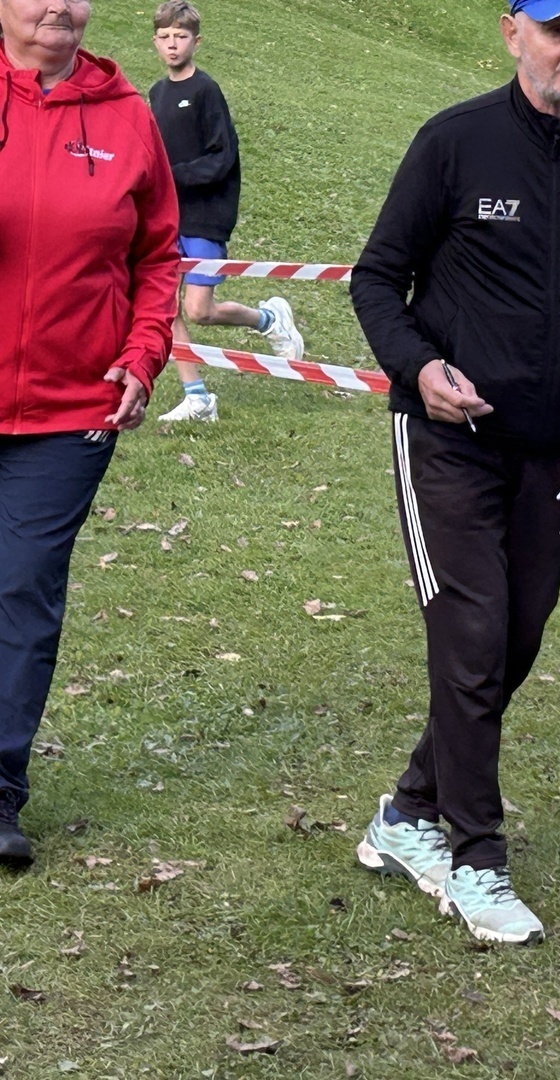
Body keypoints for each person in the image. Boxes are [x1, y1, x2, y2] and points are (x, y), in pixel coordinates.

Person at [349, 0, 560, 946]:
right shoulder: (455, 142)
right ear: (513, 32)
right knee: (474, 633)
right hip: (447, 437)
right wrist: (420, 368)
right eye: (559, 31)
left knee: (517, 635)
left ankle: (409, 810)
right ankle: (476, 858)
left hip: (556, 447)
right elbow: (376, 278)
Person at [0, 0, 179, 868]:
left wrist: (144, 353)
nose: (58, 6)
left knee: (23, 589)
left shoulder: (127, 115)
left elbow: (158, 255)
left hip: (73, 409)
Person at [148, 0, 303, 423]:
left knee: (200, 310)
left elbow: (222, 158)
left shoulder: (206, 91)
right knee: (165, 307)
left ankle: (269, 319)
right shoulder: (157, 93)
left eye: (181, 36)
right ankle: (197, 397)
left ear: (196, 42)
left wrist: (171, 176)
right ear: (155, 42)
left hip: (204, 217)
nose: (172, 44)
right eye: (165, 37)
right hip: (166, 219)